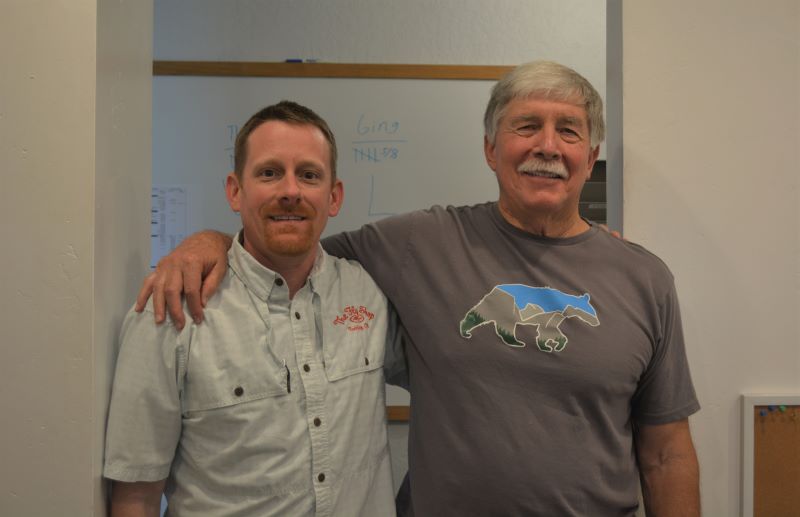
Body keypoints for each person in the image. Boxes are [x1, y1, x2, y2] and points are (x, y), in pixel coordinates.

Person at [139, 61, 701, 516]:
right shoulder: (420, 243)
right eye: (526, 126)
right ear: (490, 148)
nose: (547, 146)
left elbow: (667, 454)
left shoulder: (642, 277)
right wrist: (207, 240)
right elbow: (286, 246)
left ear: (590, 157)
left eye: (568, 131)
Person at [104, 101, 405, 516]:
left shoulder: (371, 292)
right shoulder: (170, 310)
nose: (290, 191)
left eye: (309, 175)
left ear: (333, 196)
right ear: (234, 191)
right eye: (268, 172)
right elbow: (135, 496)